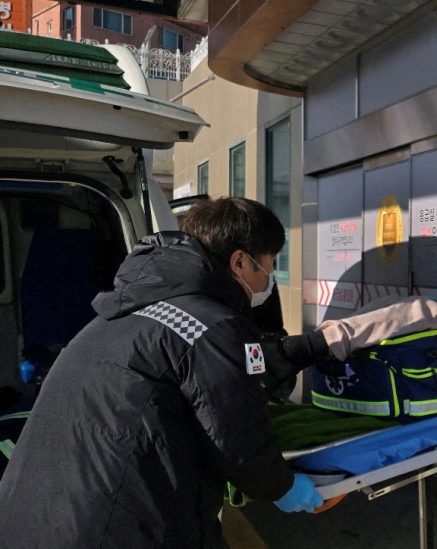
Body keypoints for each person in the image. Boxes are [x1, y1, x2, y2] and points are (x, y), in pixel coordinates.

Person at [0, 197, 323, 549]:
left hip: (34, 513)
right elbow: (237, 439)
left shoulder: (125, 312)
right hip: (109, 529)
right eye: (270, 263)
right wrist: (283, 487)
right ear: (241, 261)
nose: (269, 278)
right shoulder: (212, 325)